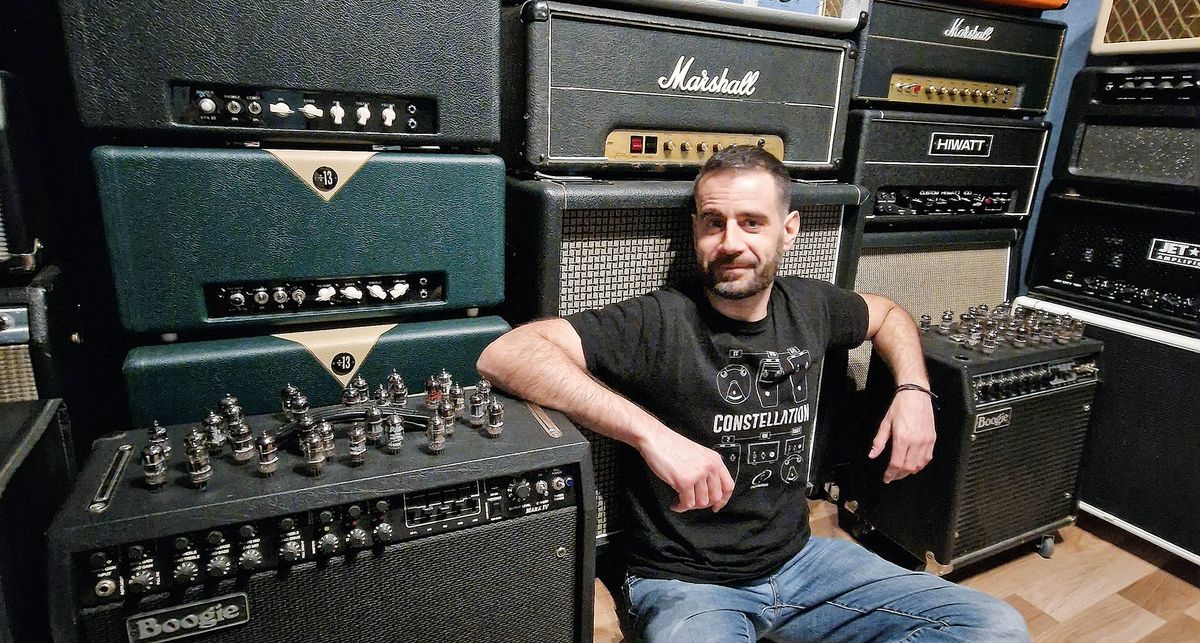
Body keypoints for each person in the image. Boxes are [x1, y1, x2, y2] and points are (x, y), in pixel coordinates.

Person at [477, 146, 1029, 642]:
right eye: (713, 223)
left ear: (788, 229)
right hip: (684, 582)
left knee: (995, 627)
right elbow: (505, 356)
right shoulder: (660, 319)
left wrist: (912, 389)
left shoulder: (812, 307)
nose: (730, 243)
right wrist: (651, 435)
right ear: (695, 228)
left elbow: (887, 313)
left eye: (751, 222)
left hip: (802, 561)